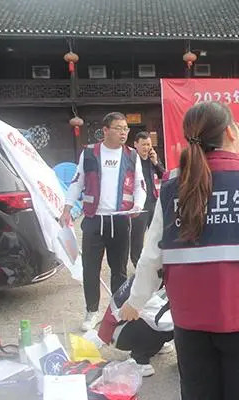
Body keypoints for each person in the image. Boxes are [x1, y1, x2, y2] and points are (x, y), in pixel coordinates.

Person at [119, 101, 239, 400]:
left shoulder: (172, 185)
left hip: (190, 323)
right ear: (231, 132)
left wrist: (135, 301)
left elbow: (152, 256)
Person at [61, 112, 146, 332]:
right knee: (90, 268)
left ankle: (116, 311)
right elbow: (77, 182)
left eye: (126, 129)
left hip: (120, 220)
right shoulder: (90, 153)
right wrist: (67, 208)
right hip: (93, 220)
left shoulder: (131, 155)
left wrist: (138, 205)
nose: (123, 133)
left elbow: (140, 185)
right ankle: (92, 311)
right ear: (105, 130)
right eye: (118, 128)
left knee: (119, 270)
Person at [97, 275, 174, 377]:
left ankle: (155, 345)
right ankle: (139, 358)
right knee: (174, 324)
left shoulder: (153, 273)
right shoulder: (148, 275)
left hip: (125, 323)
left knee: (174, 321)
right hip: (118, 330)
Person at [130, 132, 165, 268]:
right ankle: (137, 264)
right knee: (138, 236)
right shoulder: (132, 160)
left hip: (154, 201)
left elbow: (165, 175)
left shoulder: (152, 159)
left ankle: (157, 263)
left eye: (148, 144)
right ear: (136, 145)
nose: (146, 147)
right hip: (139, 204)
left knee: (157, 234)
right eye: (143, 144)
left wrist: (156, 162)